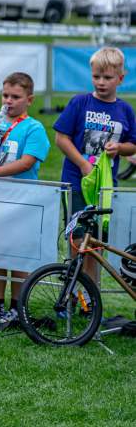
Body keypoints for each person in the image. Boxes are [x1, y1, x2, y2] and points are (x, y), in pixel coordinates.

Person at [0, 72, 51, 325]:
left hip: (21, 200)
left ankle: (18, 307)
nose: (9, 101)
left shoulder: (34, 128)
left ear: (29, 100)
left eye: (15, 97)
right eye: (5, 95)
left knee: (17, 256)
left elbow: (26, 163)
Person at [54, 48, 136, 283]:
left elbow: (133, 145)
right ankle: (74, 291)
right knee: (77, 239)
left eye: (108, 77)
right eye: (96, 76)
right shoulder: (80, 102)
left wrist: (119, 149)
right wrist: (82, 164)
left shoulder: (124, 110)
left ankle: (92, 292)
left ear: (121, 78)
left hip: (105, 188)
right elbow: (62, 138)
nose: (101, 82)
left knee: (96, 242)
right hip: (77, 183)